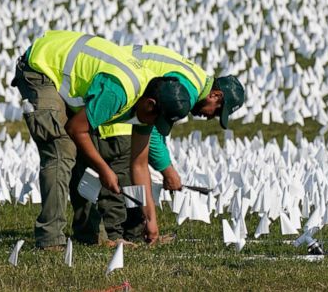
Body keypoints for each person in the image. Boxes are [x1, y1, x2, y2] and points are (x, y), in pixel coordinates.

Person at [11, 30, 191, 250]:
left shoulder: (147, 102)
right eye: (157, 120)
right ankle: (50, 239)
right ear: (150, 104)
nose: (154, 125)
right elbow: (76, 129)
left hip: (63, 73)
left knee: (83, 153)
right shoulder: (119, 92)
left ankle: (89, 235)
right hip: (41, 67)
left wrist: (151, 221)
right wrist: (104, 169)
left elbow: (139, 165)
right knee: (62, 149)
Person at [72, 44, 247, 244]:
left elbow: (156, 127)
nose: (210, 118)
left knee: (135, 170)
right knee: (125, 170)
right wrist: (167, 170)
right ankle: (118, 236)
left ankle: (136, 232)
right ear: (216, 95)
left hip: (128, 98)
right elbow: (152, 132)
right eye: (216, 111)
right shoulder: (187, 92)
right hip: (121, 103)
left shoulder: (196, 81)